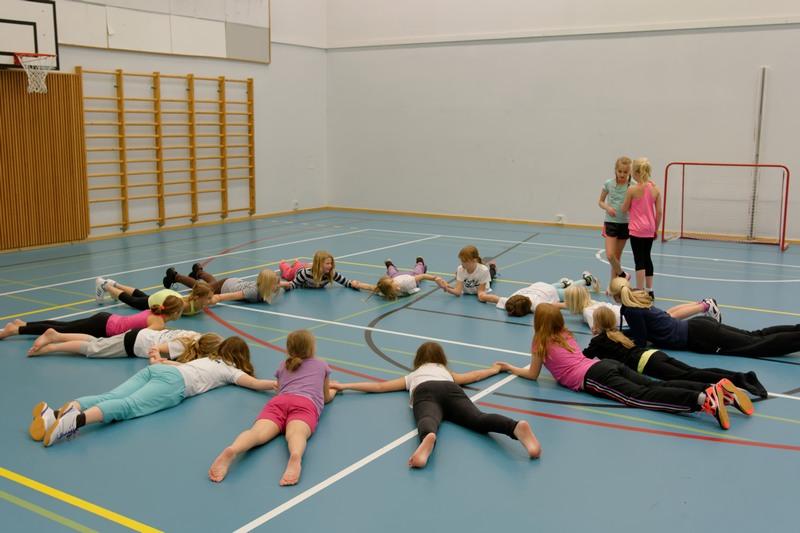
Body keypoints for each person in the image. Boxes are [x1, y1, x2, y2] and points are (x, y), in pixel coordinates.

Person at [497, 304, 754, 430]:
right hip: (604, 365)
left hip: (593, 376)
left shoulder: (540, 341)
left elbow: (533, 374)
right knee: (654, 384)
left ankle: (704, 400)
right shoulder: (566, 334)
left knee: (641, 397)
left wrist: (510, 368)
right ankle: (717, 391)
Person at [30, 337, 276, 447]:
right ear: (240, 356)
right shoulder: (230, 370)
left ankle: (54, 413)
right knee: (128, 406)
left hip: (158, 371)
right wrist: (276, 384)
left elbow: (176, 365)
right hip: (175, 385)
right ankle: (74, 421)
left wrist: (159, 361)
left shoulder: (208, 358)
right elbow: (254, 383)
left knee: (110, 396)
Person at [330, 341, 541, 468]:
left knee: (427, 418)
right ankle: (514, 427)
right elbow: (474, 376)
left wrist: (345, 385)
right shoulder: (445, 372)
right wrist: (494, 369)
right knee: (479, 419)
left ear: (418, 360)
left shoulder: (414, 375)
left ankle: (428, 437)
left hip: (425, 391)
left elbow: (380, 387)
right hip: (451, 389)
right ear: (441, 359)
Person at [208, 330, 335, 486]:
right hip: (304, 404)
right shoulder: (321, 365)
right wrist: (334, 391)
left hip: (279, 402)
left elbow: (280, 390)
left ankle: (234, 449)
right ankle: (295, 455)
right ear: (312, 347)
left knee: (256, 433)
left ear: (289, 349)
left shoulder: (283, 366)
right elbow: (325, 398)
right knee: (296, 433)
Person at [584, 306, 766, 398]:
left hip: (648, 364)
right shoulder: (619, 334)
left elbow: (582, 358)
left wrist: (594, 334)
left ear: (597, 323)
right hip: (654, 355)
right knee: (693, 371)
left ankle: (736, 380)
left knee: (689, 376)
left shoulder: (597, 341)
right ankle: (740, 377)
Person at [609, 277, 800, 357]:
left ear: (617, 297)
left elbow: (641, 341)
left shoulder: (631, 311)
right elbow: (641, 332)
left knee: (755, 346)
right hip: (699, 326)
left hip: (699, 336)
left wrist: (617, 340)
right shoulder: (636, 298)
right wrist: (622, 333)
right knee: (754, 335)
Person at [0, 298, 182, 343]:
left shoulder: (155, 311)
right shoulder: (158, 323)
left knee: (63, 325)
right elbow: (141, 337)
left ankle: (23, 324)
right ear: (174, 313)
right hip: (102, 327)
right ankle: (14, 331)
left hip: (106, 318)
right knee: (62, 329)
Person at [563, 284, 721, 330]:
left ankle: (705, 306)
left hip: (628, 320)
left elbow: (597, 330)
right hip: (630, 310)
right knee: (667, 313)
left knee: (670, 317)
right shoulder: (591, 303)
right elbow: (567, 305)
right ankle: (702, 303)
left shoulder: (587, 312)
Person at [25, 326, 215, 361]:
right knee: (93, 349)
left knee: (98, 342)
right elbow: (156, 348)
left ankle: (56, 335)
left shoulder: (194, 335)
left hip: (140, 334)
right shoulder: (182, 346)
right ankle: (53, 346)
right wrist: (158, 360)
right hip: (134, 343)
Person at [621, 157, 661, 297]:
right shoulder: (655, 189)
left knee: (639, 259)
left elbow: (624, 208)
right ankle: (650, 290)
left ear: (635, 172)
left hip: (637, 230)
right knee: (647, 257)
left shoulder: (632, 190)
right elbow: (659, 212)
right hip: (649, 229)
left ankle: (639, 291)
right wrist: (655, 229)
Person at [164, 265, 286, 304]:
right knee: (202, 288)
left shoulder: (268, 287)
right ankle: (175, 276)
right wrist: (213, 299)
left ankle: (198, 271)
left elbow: (282, 284)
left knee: (212, 282)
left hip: (232, 282)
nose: (278, 285)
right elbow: (232, 296)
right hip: (226, 287)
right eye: (275, 283)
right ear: (267, 285)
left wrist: (289, 284)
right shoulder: (253, 292)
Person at [95, 276, 213, 316]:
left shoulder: (200, 301)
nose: (210, 300)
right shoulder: (185, 306)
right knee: (133, 301)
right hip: (161, 299)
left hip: (166, 295)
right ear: (197, 298)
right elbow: (169, 312)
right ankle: (105, 285)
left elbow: (220, 297)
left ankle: (115, 284)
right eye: (208, 298)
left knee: (142, 296)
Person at [598, 156, 633, 290]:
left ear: (629, 172)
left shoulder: (632, 185)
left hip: (625, 223)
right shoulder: (608, 184)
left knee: (617, 257)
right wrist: (608, 208)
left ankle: (612, 285)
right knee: (610, 255)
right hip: (611, 222)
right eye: (620, 171)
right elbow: (600, 201)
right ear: (615, 170)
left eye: (625, 172)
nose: (622, 174)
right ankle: (623, 275)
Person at [501, 272, 599, 317]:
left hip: (551, 292)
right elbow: (494, 298)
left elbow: (559, 305)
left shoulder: (537, 306)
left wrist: (576, 305)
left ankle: (588, 279)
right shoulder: (510, 300)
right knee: (553, 286)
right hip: (539, 286)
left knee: (570, 291)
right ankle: (564, 283)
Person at [285, 251, 370, 291]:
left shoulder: (331, 273)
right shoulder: (305, 274)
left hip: (310, 267)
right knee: (287, 273)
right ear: (319, 265)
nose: (330, 266)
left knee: (302, 264)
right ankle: (284, 263)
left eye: (331, 263)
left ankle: (297, 262)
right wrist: (286, 286)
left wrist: (354, 283)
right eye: (327, 263)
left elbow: (347, 282)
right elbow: (293, 284)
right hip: (297, 270)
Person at [371, 257, 446, 300]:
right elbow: (369, 287)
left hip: (409, 275)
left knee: (418, 270)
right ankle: (389, 265)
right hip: (395, 275)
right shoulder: (384, 290)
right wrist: (361, 285)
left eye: (392, 281)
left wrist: (435, 278)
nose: (393, 281)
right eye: (392, 282)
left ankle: (420, 262)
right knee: (391, 271)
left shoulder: (407, 282)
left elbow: (423, 276)